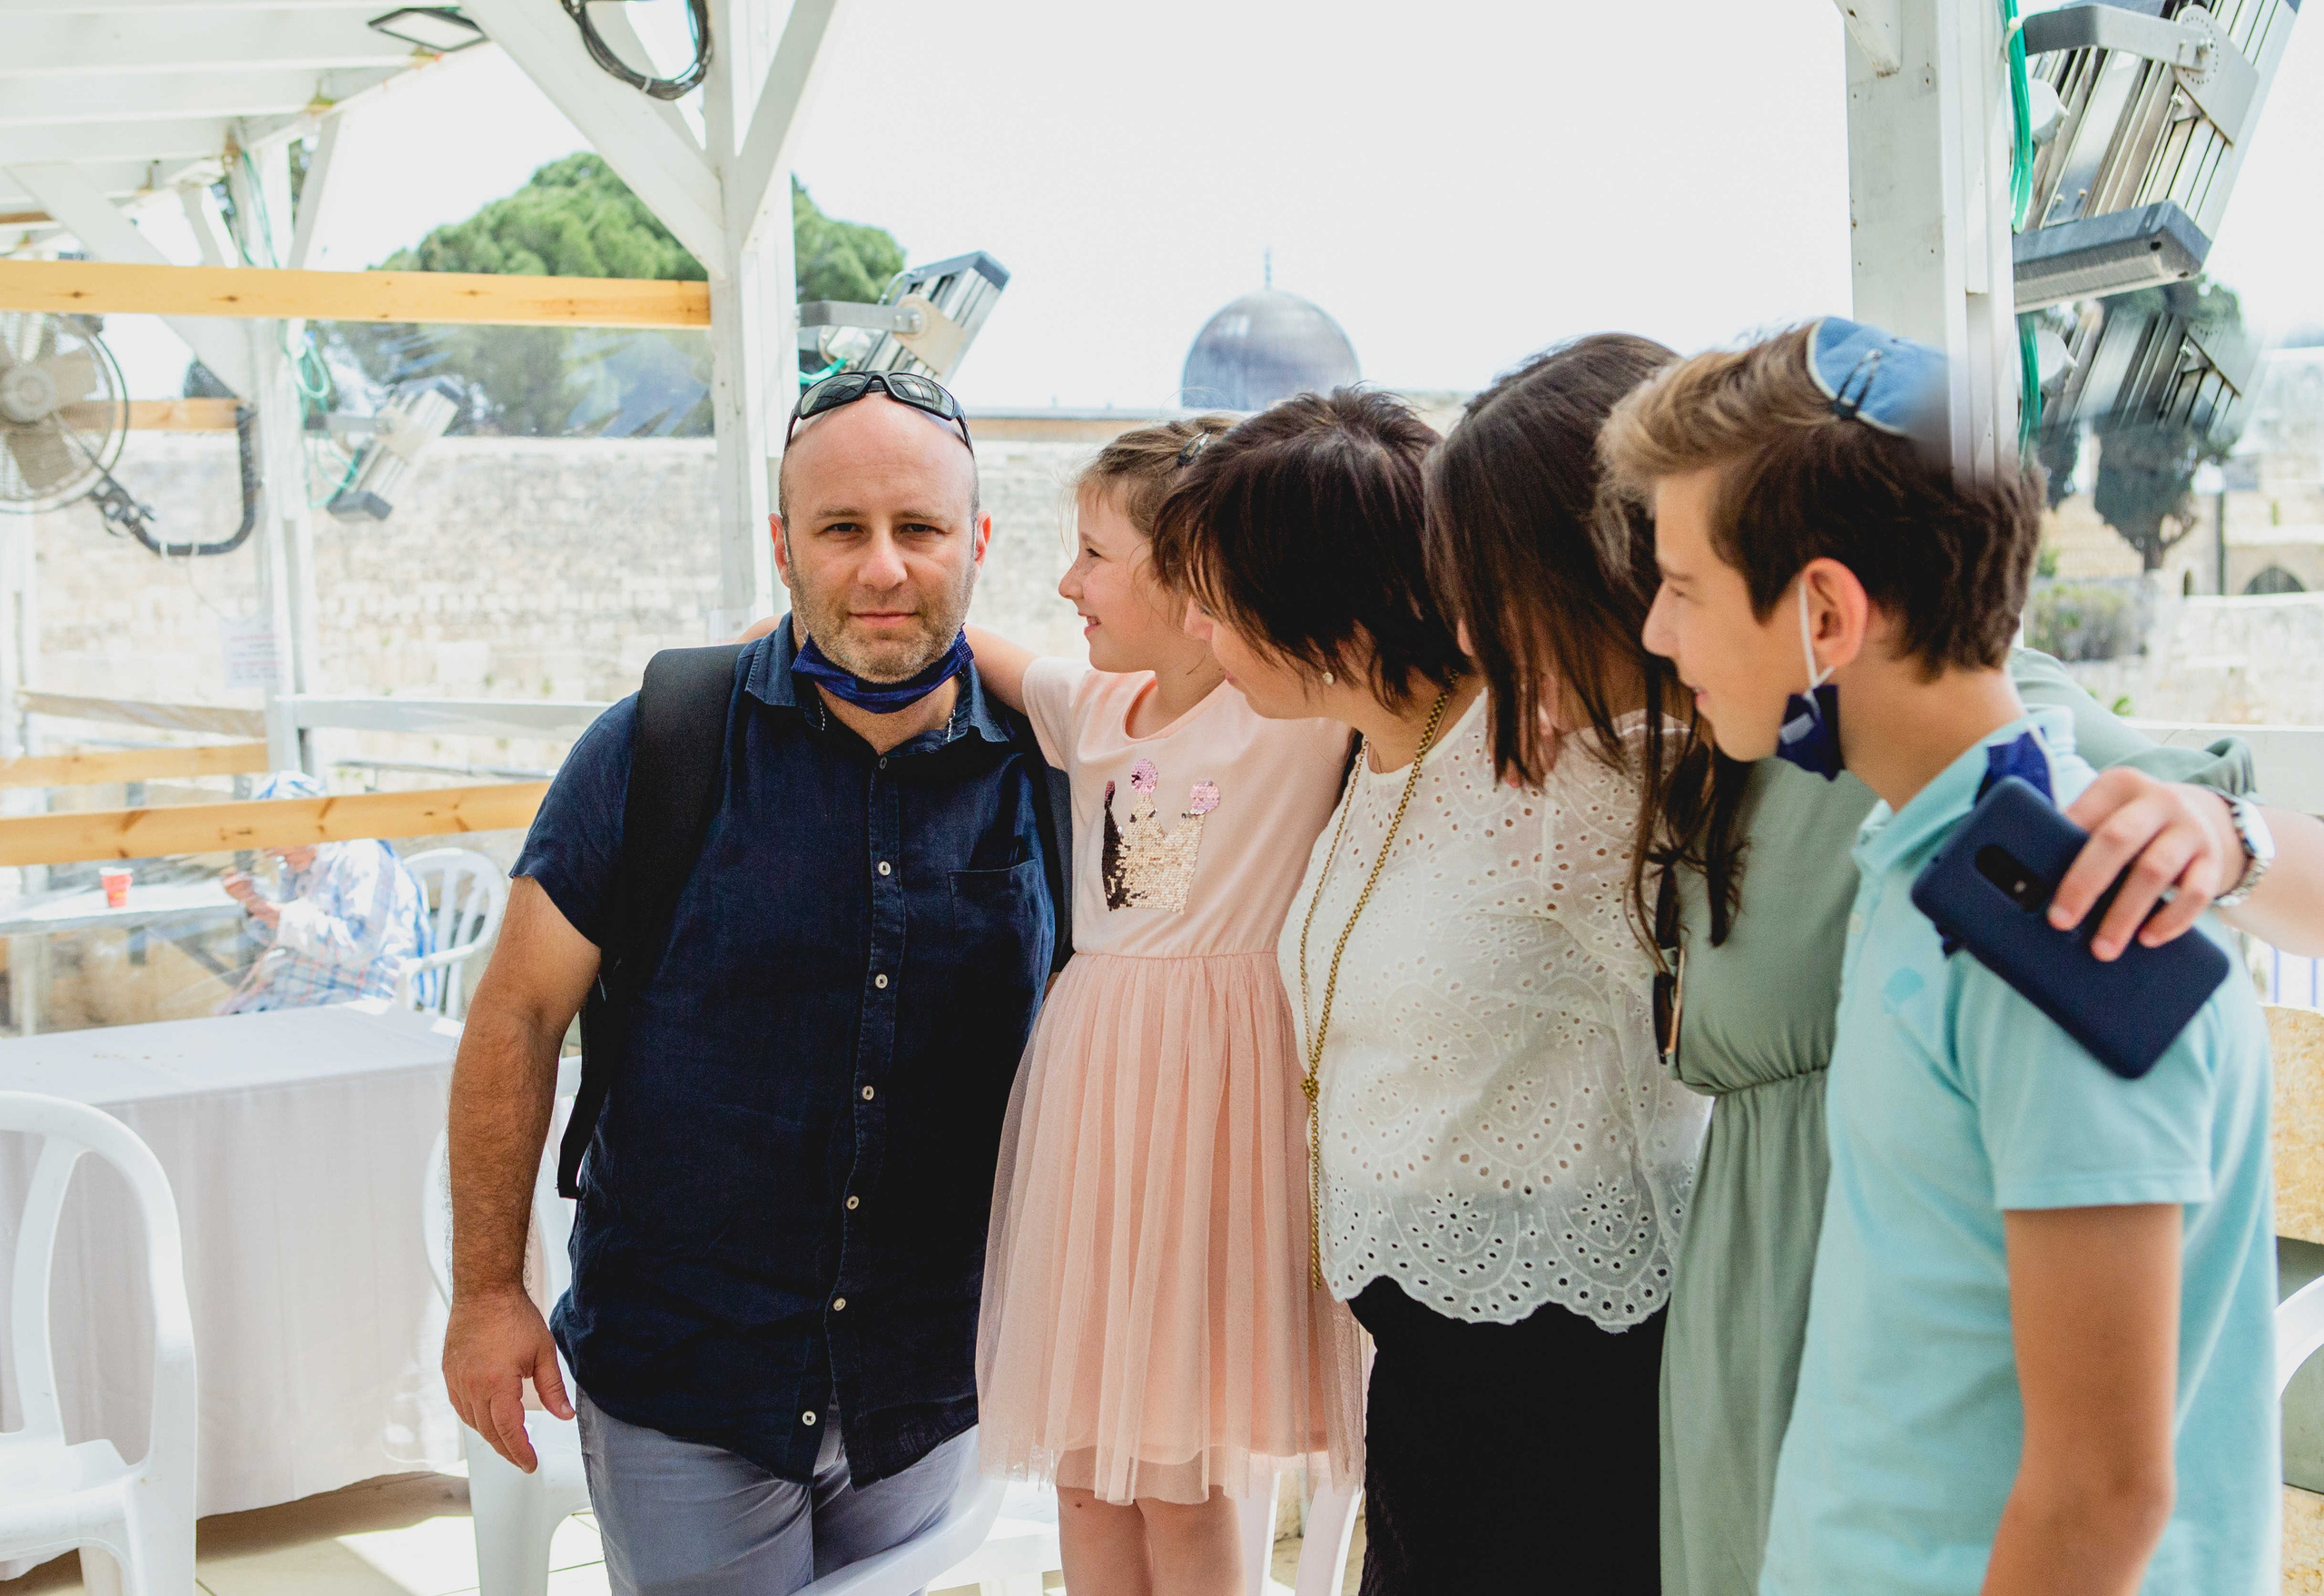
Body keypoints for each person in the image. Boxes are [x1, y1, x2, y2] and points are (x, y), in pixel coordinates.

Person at [1417, 330, 2324, 1595]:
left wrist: (2229, 834)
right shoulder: (1906, 856)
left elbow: (2102, 1492)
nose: (1658, 628)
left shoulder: (2047, 912)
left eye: (1678, 585)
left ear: (1826, 614)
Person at [439, 370, 1064, 1595]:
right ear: (783, 545)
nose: (883, 567)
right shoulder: (660, 743)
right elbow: (517, 1012)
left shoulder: (1054, 769)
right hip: (687, 1374)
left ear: (979, 541)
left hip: (934, 1375)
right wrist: (486, 1290)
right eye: (841, 529)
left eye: (920, 527)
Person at [1152, 385, 1706, 1592]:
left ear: (1319, 602)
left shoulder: (1559, 760)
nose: (1194, 628)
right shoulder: (1361, 756)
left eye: (1215, 599)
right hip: (1422, 1370)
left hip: (1572, 1374)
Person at [965, 418, 1364, 1596]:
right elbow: (978, 648)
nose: (1067, 582)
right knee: (1087, 1471)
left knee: (1184, 1480)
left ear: (1193, 580)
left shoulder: (1293, 713)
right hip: (1095, 1102)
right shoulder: (1096, 707)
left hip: (1215, 1110)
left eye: (1094, 554)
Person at [219, 769, 432, 1012]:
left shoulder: (361, 856)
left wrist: (284, 917)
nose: (269, 850)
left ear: (307, 824)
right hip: (295, 996)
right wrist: (254, 903)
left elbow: (359, 944)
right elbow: (287, 939)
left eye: (275, 835)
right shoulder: (298, 865)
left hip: (349, 1000)